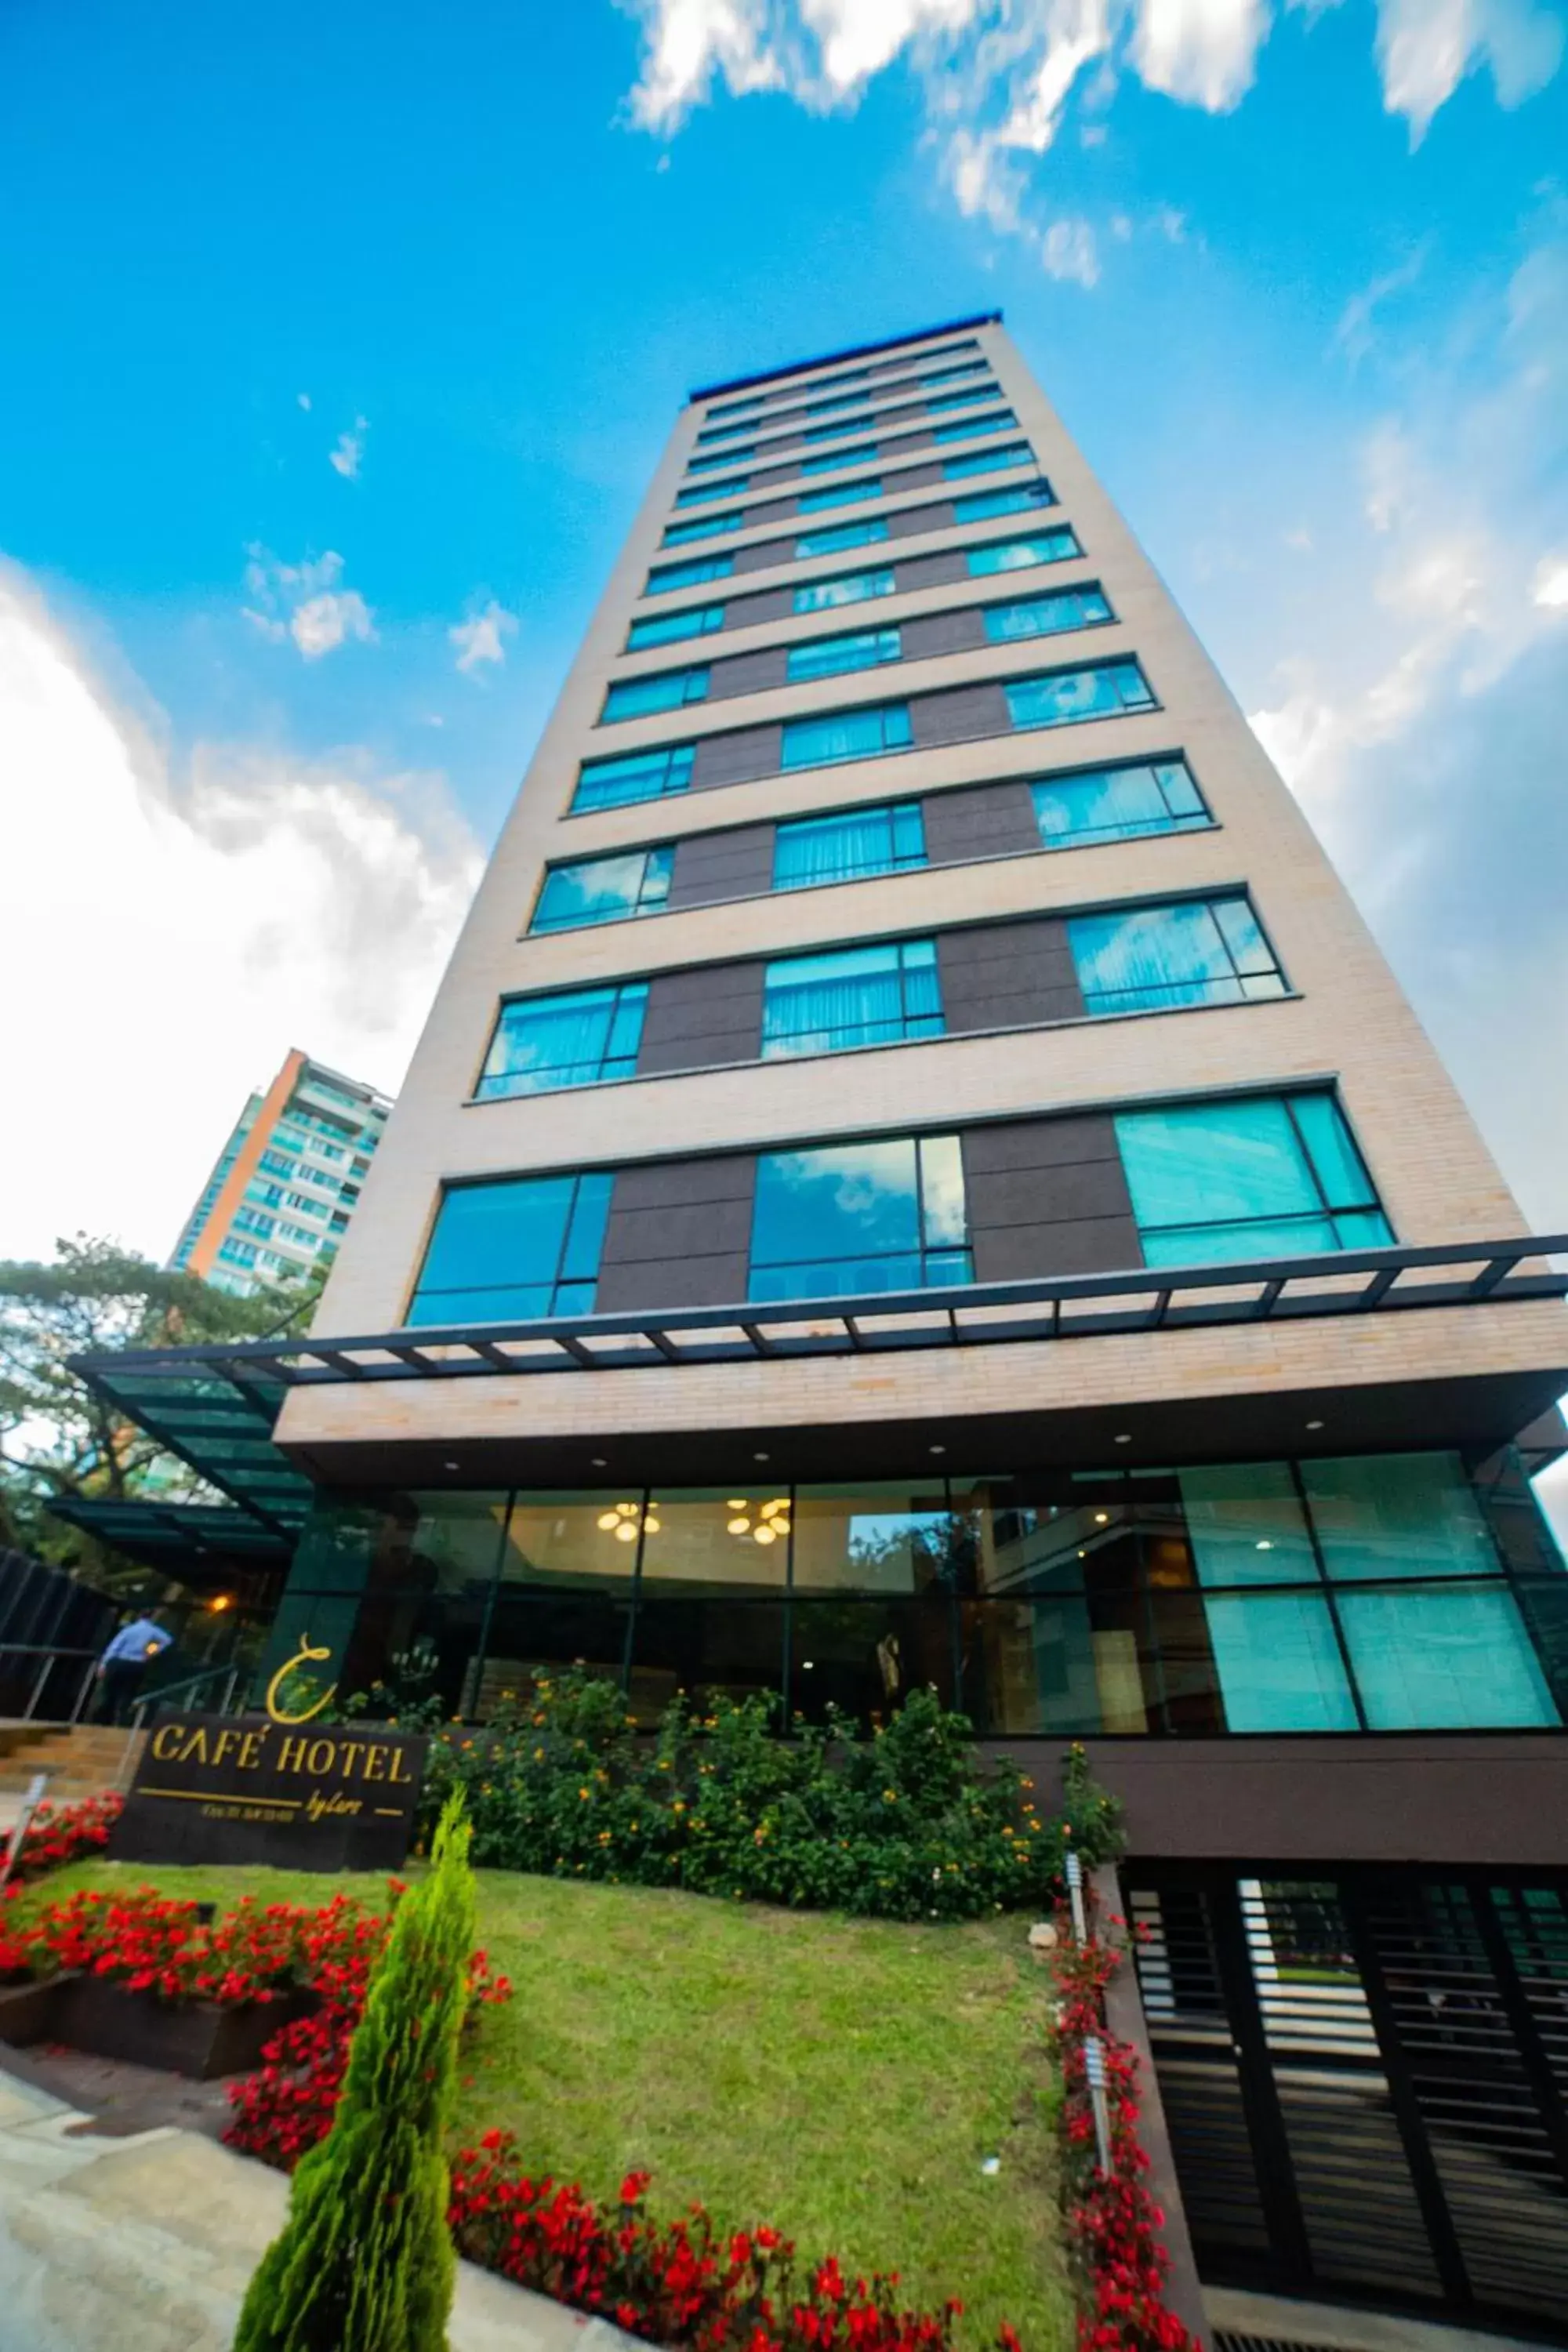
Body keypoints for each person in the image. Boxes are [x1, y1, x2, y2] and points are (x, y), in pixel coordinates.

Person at [93, 1613, 172, 1724]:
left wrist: (103, 1665)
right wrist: (151, 1651)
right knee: (128, 1693)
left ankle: (105, 1719)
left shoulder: (129, 1630)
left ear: (139, 1617)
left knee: (110, 1693)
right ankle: (122, 1720)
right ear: (151, 1618)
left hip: (119, 1662)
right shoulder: (153, 1630)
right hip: (137, 1664)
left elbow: (114, 1648)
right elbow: (167, 1640)